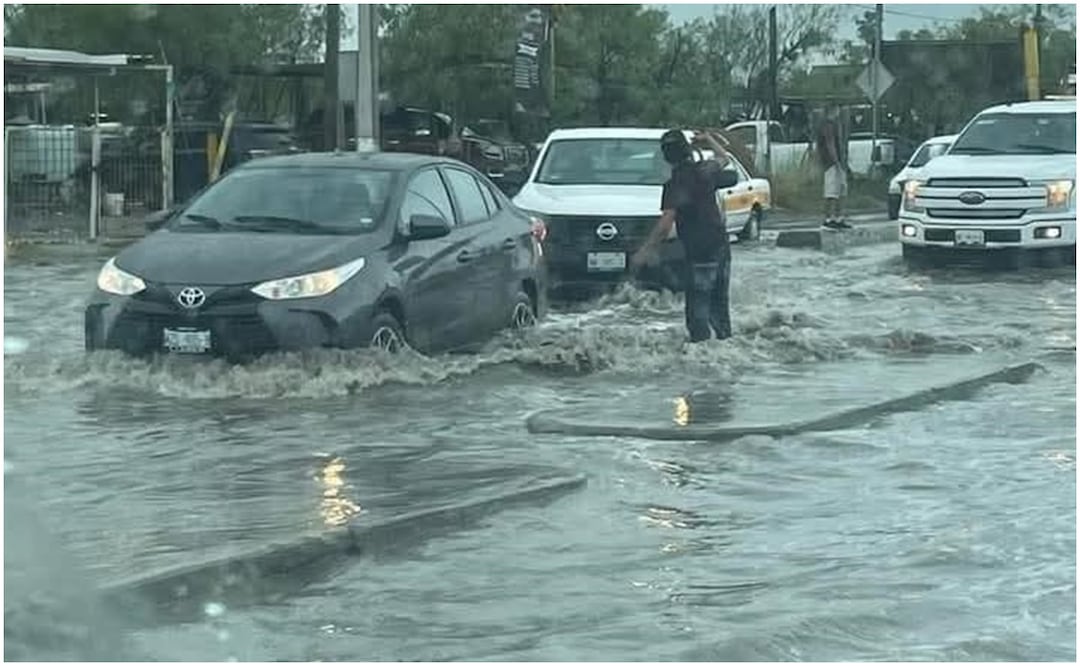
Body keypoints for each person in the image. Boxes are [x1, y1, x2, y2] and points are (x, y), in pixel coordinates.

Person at [631, 129, 738, 343]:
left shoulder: (674, 185)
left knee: (698, 312)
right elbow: (724, 159)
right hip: (720, 246)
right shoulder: (705, 171)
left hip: (698, 252)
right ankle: (724, 344)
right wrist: (709, 140)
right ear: (687, 150)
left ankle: (702, 356)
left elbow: (664, 225)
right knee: (719, 306)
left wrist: (644, 251)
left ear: (666, 158)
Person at [816, 106, 852, 230]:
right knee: (831, 192)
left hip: (839, 163)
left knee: (841, 190)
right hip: (831, 163)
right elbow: (830, 144)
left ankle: (838, 218)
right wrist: (836, 161)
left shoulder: (836, 124)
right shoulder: (827, 126)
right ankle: (828, 219)